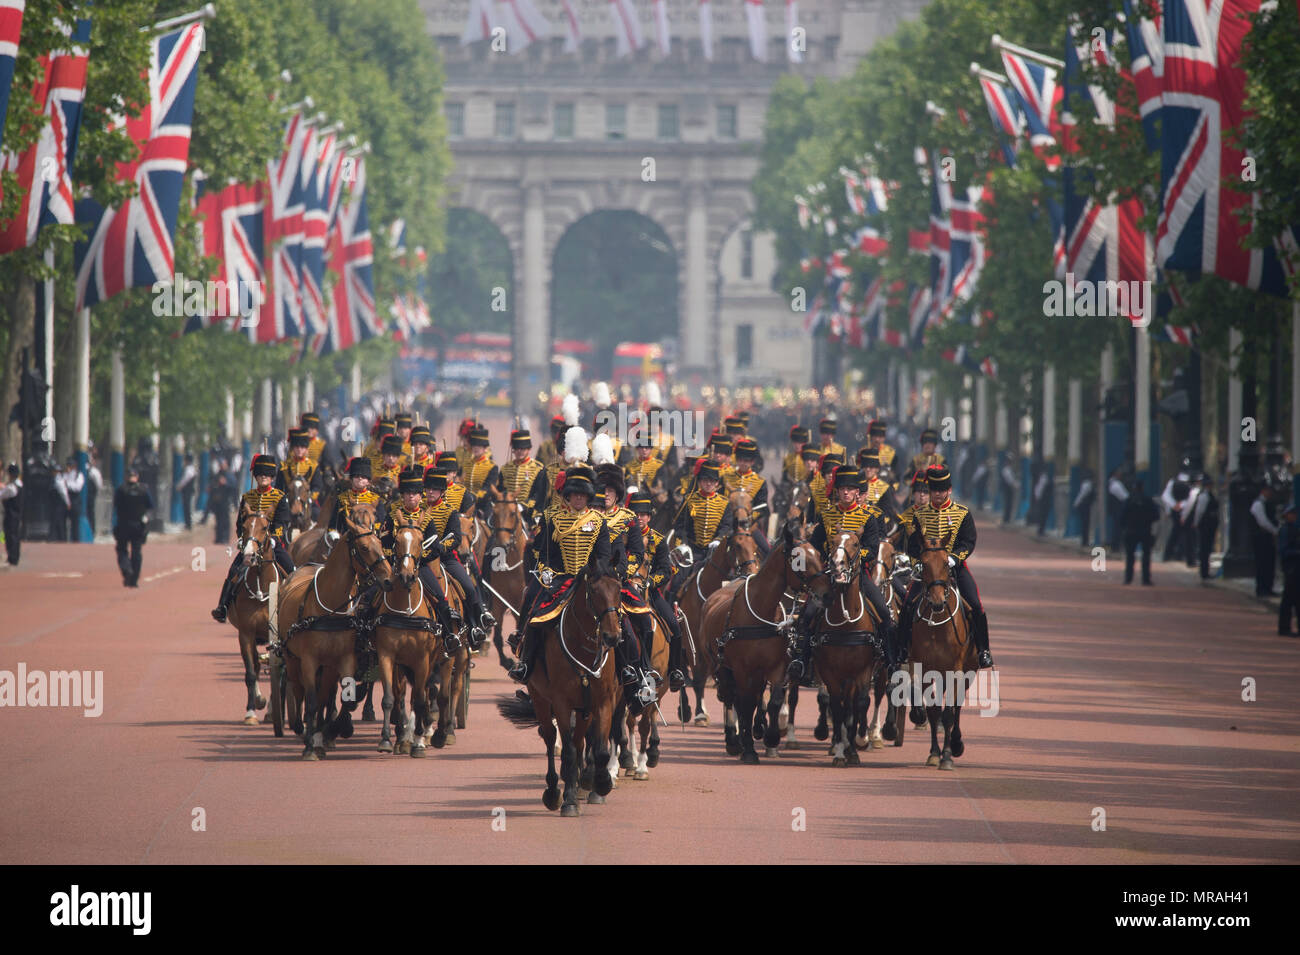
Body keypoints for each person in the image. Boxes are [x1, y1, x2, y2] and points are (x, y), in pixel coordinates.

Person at [508, 463, 612, 686]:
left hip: (590, 581)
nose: (578, 499)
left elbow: (604, 556)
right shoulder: (550, 517)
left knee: (616, 615)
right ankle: (525, 661)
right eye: (574, 495)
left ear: (588, 497)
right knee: (534, 610)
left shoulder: (598, 521)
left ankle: (629, 669)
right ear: (567, 496)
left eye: (582, 496)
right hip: (558, 578)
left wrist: (596, 575)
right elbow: (541, 553)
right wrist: (546, 573)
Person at [795, 467, 897, 686]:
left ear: (857, 492)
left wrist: (851, 557)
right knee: (808, 613)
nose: (846, 493)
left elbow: (871, 547)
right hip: (829, 576)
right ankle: (802, 662)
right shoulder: (827, 515)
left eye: (851, 489)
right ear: (838, 491)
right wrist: (828, 560)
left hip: (859, 575)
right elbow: (815, 546)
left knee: (883, 612)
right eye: (843, 489)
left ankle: (890, 661)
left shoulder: (867, 517)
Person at [896, 465, 993, 670]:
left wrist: (954, 559)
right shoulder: (920, 515)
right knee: (907, 605)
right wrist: (919, 565)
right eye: (934, 490)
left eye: (942, 490)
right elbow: (913, 547)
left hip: (954, 568)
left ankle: (983, 650)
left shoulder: (962, 513)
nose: (938, 494)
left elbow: (968, 542)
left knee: (976, 605)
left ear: (949, 490)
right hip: (927, 571)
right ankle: (902, 649)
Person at [211, 455, 296, 622]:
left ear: (272, 477)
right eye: (260, 473)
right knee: (233, 572)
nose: (263, 476)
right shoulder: (247, 497)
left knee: (292, 571)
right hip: (251, 544)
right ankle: (223, 607)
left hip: (272, 544)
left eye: (267, 474)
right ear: (255, 476)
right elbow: (240, 523)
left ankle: (297, 606)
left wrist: (273, 538)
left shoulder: (279, 497)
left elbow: (282, 523)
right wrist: (243, 539)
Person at [628, 491, 686, 691]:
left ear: (650, 517)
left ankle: (675, 670)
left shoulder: (658, 540)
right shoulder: (622, 537)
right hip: (625, 589)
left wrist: (650, 582)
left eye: (643, 514)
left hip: (650, 592)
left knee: (674, 625)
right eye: (635, 513)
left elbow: (665, 570)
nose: (639, 517)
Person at [113, 468, 153, 587]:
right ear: (137, 477)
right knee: (137, 552)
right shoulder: (144, 490)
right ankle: (134, 579)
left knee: (122, 550)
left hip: (123, 524)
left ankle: (126, 570)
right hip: (138, 525)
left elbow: (116, 506)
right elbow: (150, 507)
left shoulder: (121, 490)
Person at [1120, 479, 1159, 586]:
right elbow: (1156, 516)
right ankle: (1146, 579)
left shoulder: (1129, 500)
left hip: (1131, 531)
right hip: (1145, 531)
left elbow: (1122, 516)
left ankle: (1128, 578)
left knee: (1130, 556)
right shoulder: (1148, 500)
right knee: (1146, 556)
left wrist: (1125, 527)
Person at [1250, 485, 1279, 597]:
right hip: (1260, 538)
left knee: (1269, 563)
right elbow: (1263, 522)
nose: (1270, 493)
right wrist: (1275, 531)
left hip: (1267, 537)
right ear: (1263, 491)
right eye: (1268, 491)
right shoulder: (1258, 504)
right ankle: (1261, 588)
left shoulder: (1268, 503)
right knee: (1261, 563)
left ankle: (1268, 587)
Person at [1191, 473, 1219, 581]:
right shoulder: (1204, 496)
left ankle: (1205, 571)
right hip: (1205, 525)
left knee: (1207, 549)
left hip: (1210, 525)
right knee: (1204, 548)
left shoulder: (1210, 495)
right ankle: (1204, 572)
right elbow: (1199, 511)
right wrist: (1196, 522)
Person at [1277, 506, 1300, 636]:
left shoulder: (1293, 529)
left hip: (1295, 568)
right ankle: (1284, 628)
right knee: (1288, 599)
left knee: (1296, 599)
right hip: (1291, 568)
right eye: (1292, 514)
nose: (1294, 516)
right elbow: (1284, 551)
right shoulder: (1286, 530)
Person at [203, 469, 236, 544]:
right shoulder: (215, 482)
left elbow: (232, 490)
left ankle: (225, 539)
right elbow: (211, 491)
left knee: (225, 522)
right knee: (218, 522)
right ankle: (219, 538)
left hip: (225, 505)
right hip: (217, 505)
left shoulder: (228, 481)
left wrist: (226, 483)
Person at [0, 463, 22, 566]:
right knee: (15, 536)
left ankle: (11, 557)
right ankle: (15, 557)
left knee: (10, 536)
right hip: (17, 514)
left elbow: (2, 495)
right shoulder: (20, 484)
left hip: (10, 514)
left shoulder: (11, 487)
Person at [1106, 467, 1130, 549]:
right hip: (1118, 509)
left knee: (1116, 528)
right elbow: (1125, 497)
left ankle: (1115, 545)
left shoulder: (1112, 483)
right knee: (1118, 528)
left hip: (1115, 510)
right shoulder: (1116, 484)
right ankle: (1116, 546)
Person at [1073, 469, 1096, 547]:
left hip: (1084, 505)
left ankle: (1085, 541)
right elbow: (1082, 495)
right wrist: (1076, 503)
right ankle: (1085, 541)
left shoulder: (1087, 484)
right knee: (1085, 523)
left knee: (1085, 524)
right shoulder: (1087, 484)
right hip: (1084, 506)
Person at [176, 452, 198, 530]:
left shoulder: (189, 469)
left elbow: (185, 479)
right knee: (187, 507)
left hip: (187, 491)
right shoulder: (191, 468)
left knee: (187, 507)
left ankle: (188, 524)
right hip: (188, 490)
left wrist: (179, 486)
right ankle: (187, 523)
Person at [85, 450, 103, 538]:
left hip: (86, 496)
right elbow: (99, 485)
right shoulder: (94, 472)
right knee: (91, 513)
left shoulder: (89, 471)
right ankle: (92, 531)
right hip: (91, 495)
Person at [999, 455, 1020, 526]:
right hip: (1008, 489)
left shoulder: (1007, 469)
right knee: (1008, 504)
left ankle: (1006, 519)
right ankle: (1006, 519)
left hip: (1007, 489)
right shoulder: (1006, 470)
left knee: (1008, 504)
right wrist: (1016, 485)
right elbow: (1010, 480)